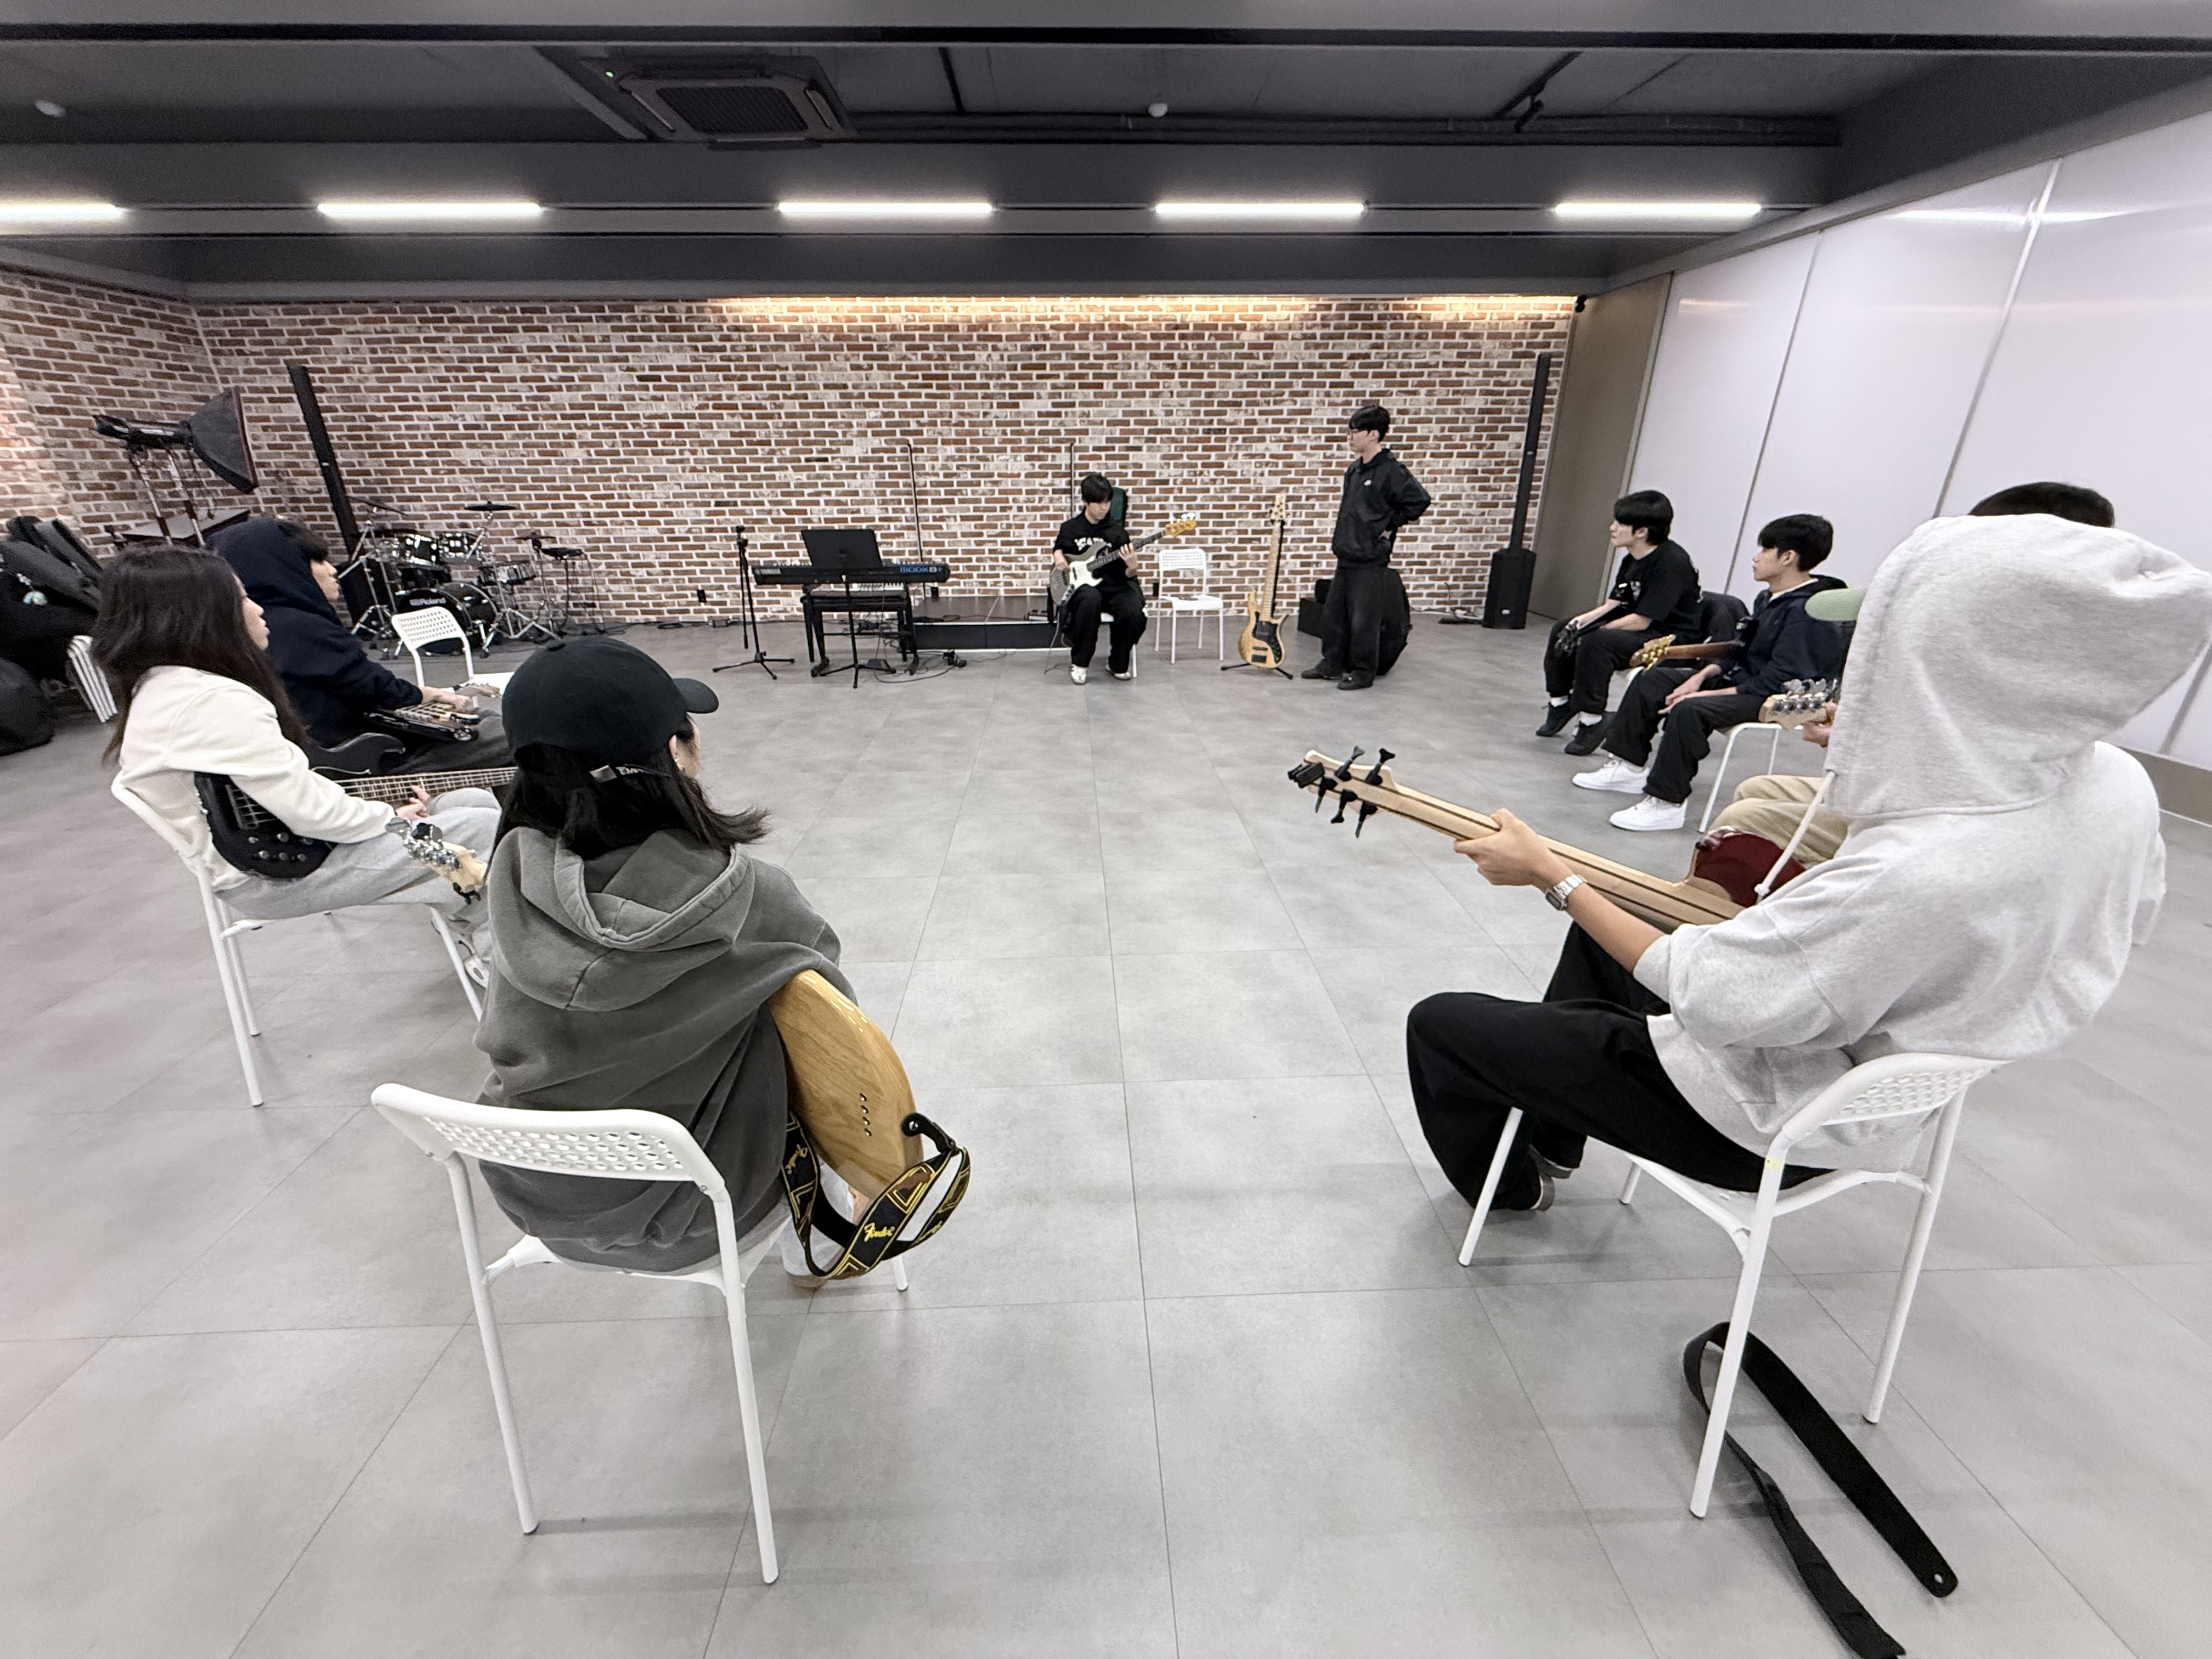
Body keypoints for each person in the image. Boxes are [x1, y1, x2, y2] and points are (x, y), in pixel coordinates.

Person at [1408, 509, 2211, 1215]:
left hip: (1769, 1123)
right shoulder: (2118, 785)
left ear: (1958, 663)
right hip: (1886, 1077)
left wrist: (1553, 876)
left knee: (1444, 1025)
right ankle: (1556, 1128)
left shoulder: (1923, 873)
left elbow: (1715, 998)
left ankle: (1511, 1190)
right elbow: (2104, 910)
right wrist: (1875, 749)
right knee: (1606, 938)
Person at [471, 636, 853, 1278]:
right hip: (702, 1211)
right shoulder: (752, 899)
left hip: (542, 1198)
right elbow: (835, 1042)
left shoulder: (511, 879)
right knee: (795, 1043)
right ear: (674, 752)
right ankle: (824, 1252)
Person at [94, 543, 498, 939]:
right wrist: (390, 819)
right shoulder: (212, 701)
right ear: (203, 617)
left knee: (470, 802)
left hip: (272, 856)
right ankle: (501, 953)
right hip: (281, 875)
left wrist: (383, 812)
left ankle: (483, 931)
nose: (258, 609)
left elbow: (289, 792)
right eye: (242, 599)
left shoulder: (164, 688)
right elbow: (312, 814)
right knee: (482, 827)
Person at [1709, 481, 2118, 865]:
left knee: (1744, 819)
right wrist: (1851, 734)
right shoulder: (2032, 649)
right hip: (1925, 792)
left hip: (1947, 823)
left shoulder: (2018, 661)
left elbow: (1951, 769)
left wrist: (1857, 741)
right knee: (1756, 789)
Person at [1573, 514, 1848, 832]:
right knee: (1655, 679)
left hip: (1776, 697)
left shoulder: (1808, 611)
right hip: (1746, 681)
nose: (1756, 558)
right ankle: (1629, 766)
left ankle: (1666, 802)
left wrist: (1708, 693)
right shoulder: (1769, 597)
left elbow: (1780, 679)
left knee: (1691, 709)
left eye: (1765, 550)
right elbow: (1740, 650)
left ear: (1788, 557)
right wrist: (1700, 677)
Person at [212, 517, 510, 772]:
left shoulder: (244, 627)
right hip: (363, 757)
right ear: (287, 568)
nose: (333, 570)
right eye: (318, 561)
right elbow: (372, 688)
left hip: (323, 753)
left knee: (485, 723)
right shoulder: (300, 626)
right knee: (515, 737)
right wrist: (424, 695)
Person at [1538, 490, 1702, 752]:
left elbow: (1643, 621)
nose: (1612, 528)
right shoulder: (1631, 559)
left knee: (1597, 641)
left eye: (1620, 523)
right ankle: (1561, 703)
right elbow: (1614, 604)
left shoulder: (1672, 563)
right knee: (1564, 628)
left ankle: (1592, 720)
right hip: (1639, 626)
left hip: (1669, 637)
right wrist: (1579, 623)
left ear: (1641, 532)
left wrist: (1594, 631)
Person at [1302, 404, 1430, 690]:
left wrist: (1388, 526)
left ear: (1373, 434)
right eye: (1349, 431)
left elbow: (1419, 501)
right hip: (1347, 553)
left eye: (1355, 432)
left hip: (1370, 558)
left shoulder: (1391, 471)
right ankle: (1332, 664)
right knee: (1334, 616)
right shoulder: (1355, 470)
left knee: (1364, 621)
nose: (1350, 437)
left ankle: (1363, 672)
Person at [1052, 473, 1147, 684]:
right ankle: (1080, 663)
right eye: (1099, 503)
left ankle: (1117, 663)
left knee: (1134, 611)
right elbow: (1060, 548)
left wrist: (1133, 567)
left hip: (1115, 585)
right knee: (1089, 599)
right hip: (1085, 588)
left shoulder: (1117, 532)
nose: (1104, 508)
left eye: (1107, 502)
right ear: (1086, 502)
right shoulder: (1071, 528)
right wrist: (1058, 555)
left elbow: (1128, 574)